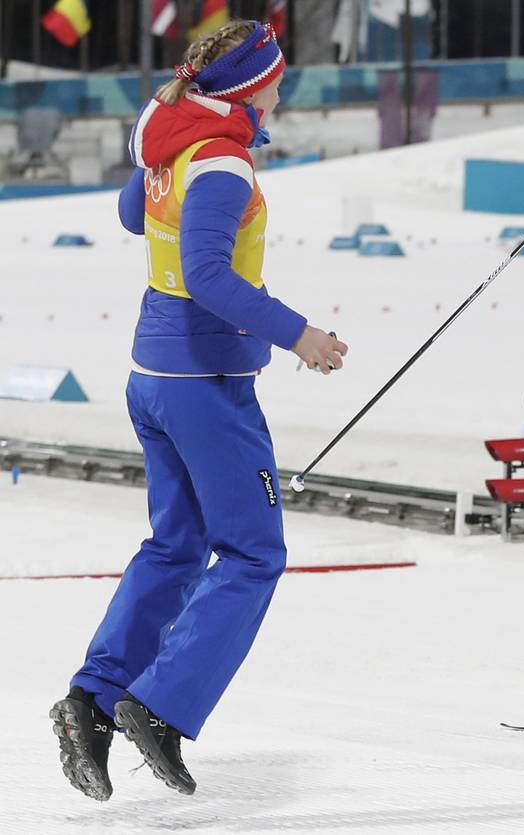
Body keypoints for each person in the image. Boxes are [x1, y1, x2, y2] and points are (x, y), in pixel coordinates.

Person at [49, 20, 348, 801]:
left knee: (177, 545)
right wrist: (300, 335)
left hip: (155, 374)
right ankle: (158, 706)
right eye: (280, 77)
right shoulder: (221, 160)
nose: (288, 87)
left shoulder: (181, 143)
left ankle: (89, 702)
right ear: (253, 87)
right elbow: (209, 275)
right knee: (253, 553)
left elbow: (129, 213)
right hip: (205, 384)